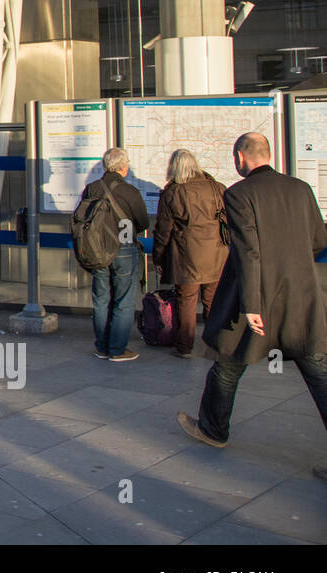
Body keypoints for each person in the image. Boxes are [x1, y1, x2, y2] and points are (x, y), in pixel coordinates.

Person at [177, 133, 327, 483]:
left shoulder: (239, 194)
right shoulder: (301, 188)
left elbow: (248, 251)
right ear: (268, 155)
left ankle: (213, 430)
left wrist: (253, 304)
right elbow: (319, 239)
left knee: (228, 364)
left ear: (241, 158)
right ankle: (212, 428)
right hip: (301, 298)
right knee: (319, 375)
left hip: (255, 296)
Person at [152, 149, 228, 358]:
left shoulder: (173, 192)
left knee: (186, 300)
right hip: (217, 253)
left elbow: (163, 229)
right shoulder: (217, 187)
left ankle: (184, 347)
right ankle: (215, 345)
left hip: (187, 255)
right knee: (213, 300)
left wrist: (158, 257)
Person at [80, 146, 150, 362]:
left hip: (97, 250)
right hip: (123, 249)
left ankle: (101, 346)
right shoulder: (129, 191)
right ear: (123, 167)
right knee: (123, 300)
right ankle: (117, 349)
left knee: (101, 299)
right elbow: (143, 222)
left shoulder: (91, 188)